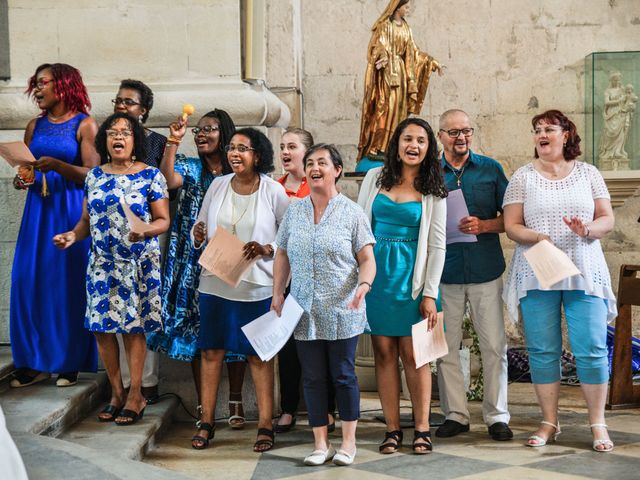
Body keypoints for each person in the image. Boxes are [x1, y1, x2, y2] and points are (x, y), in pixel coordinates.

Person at [503, 109, 616, 452]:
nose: (542, 134)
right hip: (538, 269)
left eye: (549, 128)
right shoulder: (523, 176)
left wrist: (588, 230)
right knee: (541, 350)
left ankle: (598, 423)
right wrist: (537, 236)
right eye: (537, 129)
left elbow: (607, 218)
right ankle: (549, 421)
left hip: (583, 268)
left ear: (565, 134)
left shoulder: (588, 172)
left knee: (592, 349)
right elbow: (511, 225)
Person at [53, 112, 169, 425]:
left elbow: (163, 220)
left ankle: (136, 394)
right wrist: (71, 236)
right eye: (112, 132)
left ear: (135, 141)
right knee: (102, 328)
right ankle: (116, 392)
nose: (118, 137)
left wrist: (144, 230)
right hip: (102, 263)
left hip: (137, 264)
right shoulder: (94, 176)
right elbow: (85, 222)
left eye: (125, 132)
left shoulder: (150, 176)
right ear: (105, 140)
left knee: (132, 329)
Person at [272, 144, 376, 466]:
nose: (315, 167)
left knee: (343, 375)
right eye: (311, 163)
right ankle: (320, 444)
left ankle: (348, 443)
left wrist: (363, 286)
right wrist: (278, 292)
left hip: (343, 309)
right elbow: (282, 253)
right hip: (303, 309)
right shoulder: (295, 210)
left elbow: (367, 258)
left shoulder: (352, 212)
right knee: (313, 377)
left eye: (322, 162)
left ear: (337, 170)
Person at [146, 110, 249, 427]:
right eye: (199, 130)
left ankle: (235, 400)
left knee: (233, 327)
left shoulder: (237, 169)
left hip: (229, 254)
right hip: (191, 261)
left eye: (210, 129)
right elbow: (166, 180)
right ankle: (205, 408)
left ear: (226, 134)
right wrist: (173, 141)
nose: (202, 134)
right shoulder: (190, 167)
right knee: (197, 333)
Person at [190, 128, 289, 452]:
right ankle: (206, 422)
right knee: (211, 350)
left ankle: (264, 424)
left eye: (242, 149)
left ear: (257, 155)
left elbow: (289, 238)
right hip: (216, 280)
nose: (235, 154)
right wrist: (198, 232)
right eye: (231, 148)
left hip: (256, 285)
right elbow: (200, 228)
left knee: (258, 355)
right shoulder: (218, 185)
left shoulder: (272, 191)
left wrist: (266, 248)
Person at [357, 117, 447, 454]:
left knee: (417, 355)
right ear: (397, 143)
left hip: (413, 280)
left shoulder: (435, 189)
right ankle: (392, 429)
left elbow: (438, 246)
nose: (414, 146)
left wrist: (430, 293)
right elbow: (361, 228)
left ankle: (422, 428)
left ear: (429, 147)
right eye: (407, 139)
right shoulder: (372, 178)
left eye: (421, 141)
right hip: (377, 277)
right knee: (383, 353)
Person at [10, 63, 100, 388]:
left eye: (42, 83)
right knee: (30, 281)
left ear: (63, 85)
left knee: (66, 284)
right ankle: (33, 361)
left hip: (70, 210)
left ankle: (68, 361)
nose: (36, 89)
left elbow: (93, 173)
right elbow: (27, 167)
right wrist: (23, 179)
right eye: (35, 83)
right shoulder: (34, 125)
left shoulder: (84, 124)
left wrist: (59, 166)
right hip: (38, 210)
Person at [434, 109, 513, 441]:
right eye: (453, 132)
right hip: (443, 272)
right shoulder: (428, 172)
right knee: (445, 348)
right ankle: (456, 414)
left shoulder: (491, 169)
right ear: (440, 136)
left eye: (466, 131)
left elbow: (511, 218)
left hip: (484, 268)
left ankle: (497, 415)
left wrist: (485, 225)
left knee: (494, 344)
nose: (461, 137)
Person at [274, 128, 337, 434]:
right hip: (287, 279)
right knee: (289, 349)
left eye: (292, 147)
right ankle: (288, 407)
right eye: (282, 147)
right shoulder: (274, 187)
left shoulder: (318, 188)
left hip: (322, 280)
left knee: (324, 347)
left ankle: (328, 409)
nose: (285, 152)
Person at [111, 79, 167, 403]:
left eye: (129, 102)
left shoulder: (156, 142)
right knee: (115, 308)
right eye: (118, 100)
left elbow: (165, 188)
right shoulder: (107, 141)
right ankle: (120, 382)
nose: (122, 106)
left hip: (147, 236)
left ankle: (146, 382)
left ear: (143, 110)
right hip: (112, 237)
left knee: (146, 307)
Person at [356, 0, 443, 169]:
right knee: (384, 109)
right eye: (406, 6)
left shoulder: (406, 28)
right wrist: (383, 57)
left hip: (402, 74)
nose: (408, 9)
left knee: (399, 111)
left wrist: (430, 61)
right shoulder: (384, 26)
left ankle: (394, 145)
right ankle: (379, 146)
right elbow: (377, 46)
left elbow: (413, 52)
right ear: (397, 7)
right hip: (387, 74)